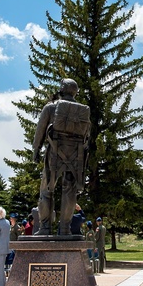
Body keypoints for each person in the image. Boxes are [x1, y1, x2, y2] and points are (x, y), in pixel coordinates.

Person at [32, 78, 91, 235]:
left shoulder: (51, 107)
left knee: (46, 190)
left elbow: (40, 130)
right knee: (70, 191)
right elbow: (87, 135)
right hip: (75, 156)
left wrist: (36, 149)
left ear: (61, 89)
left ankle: (45, 228)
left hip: (54, 154)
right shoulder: (83, 111)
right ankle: (65, 228)